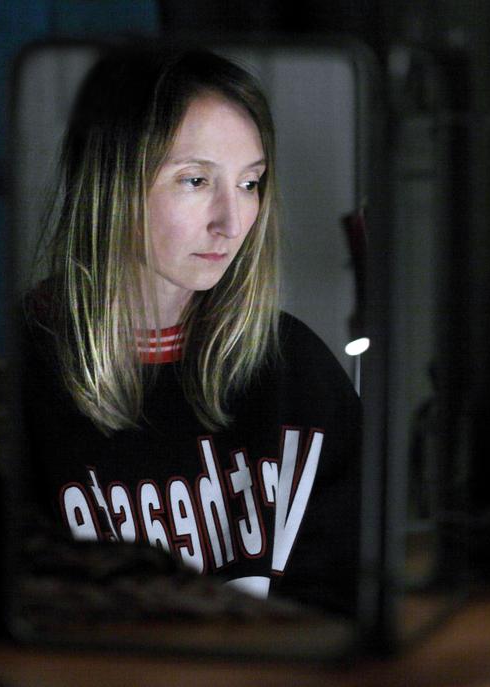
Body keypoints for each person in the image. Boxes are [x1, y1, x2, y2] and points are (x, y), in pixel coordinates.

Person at [20, 47, 362, 615]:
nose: (232, 221)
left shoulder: (296, 368)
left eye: (251, 183)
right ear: (114, 182)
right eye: (196, 180)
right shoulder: (25, 367)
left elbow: (351, 592)